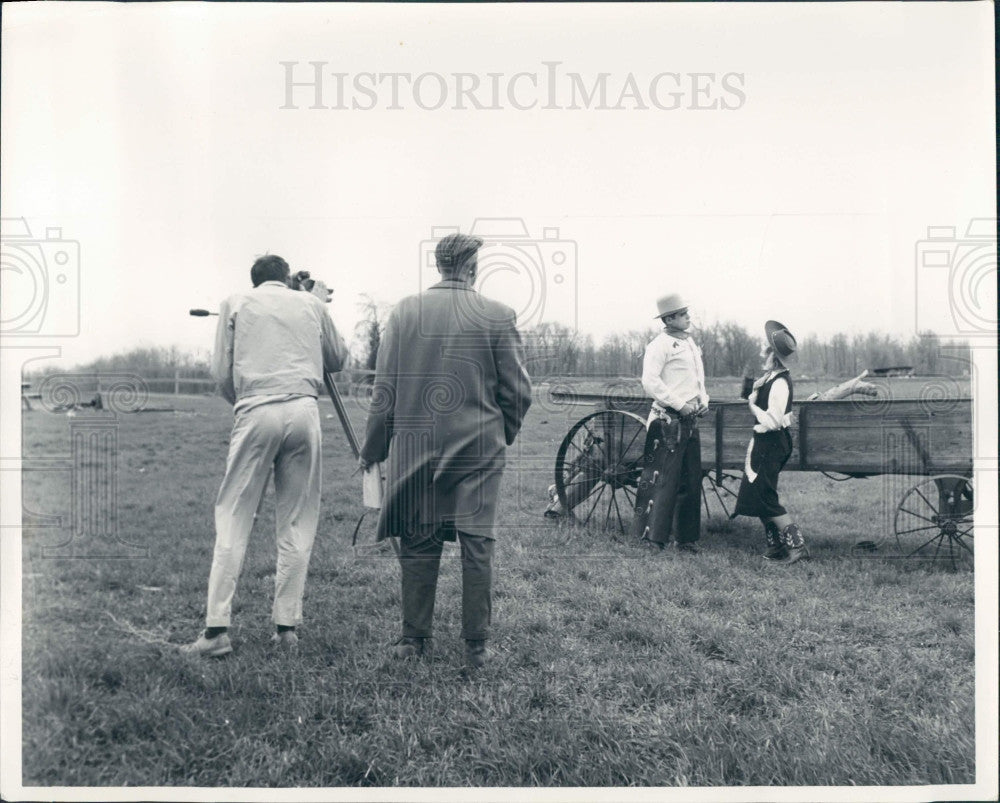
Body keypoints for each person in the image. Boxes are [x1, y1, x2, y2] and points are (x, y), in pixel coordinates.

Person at [359, 232, 532, 669]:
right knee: (477, 542)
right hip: (479, 447)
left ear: (439, 265)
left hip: (415, 445)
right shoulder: (497, 314)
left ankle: (412, 640)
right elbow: (518, 393)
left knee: (418, 538)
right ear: (472, 267)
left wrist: (373, 448)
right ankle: (476, 646)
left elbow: (384, 393)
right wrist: (500, 433)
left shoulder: (404, 312)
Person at [181, 254, 348, 657]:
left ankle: (217, 630)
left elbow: (221, 373)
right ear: (287, 277)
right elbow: (338, 360)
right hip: (304, 410)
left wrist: (246, 405)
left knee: (234, 517)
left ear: (255, 280)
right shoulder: (310, 303)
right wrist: (317, 302)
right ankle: (286, 629)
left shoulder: (235, 302)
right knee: (295, 520)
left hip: (255, 408)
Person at [633, 293, 709, 553]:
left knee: (690, 479)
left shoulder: (689, 344)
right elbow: (650, 382)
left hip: (690, 421)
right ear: (669, 319)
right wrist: (680, 404)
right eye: (683, 313)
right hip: (668, 421)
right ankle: (653, 538)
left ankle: (685, 539)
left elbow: (698, 379)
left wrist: (703, 399)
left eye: (687, 312)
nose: (688, 317)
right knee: (663, 481)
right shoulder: (659, 345)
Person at [732, 320, 807, 564]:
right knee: (755, 494)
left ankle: (797, 547)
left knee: (765, 495)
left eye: (765, 350)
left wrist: (753, 406)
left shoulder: (780, 383)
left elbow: (773, 421)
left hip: (772, 442)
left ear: (773, 356)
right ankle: (775, 546)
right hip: (764, 442)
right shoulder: (770, 378)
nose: (761, 353)